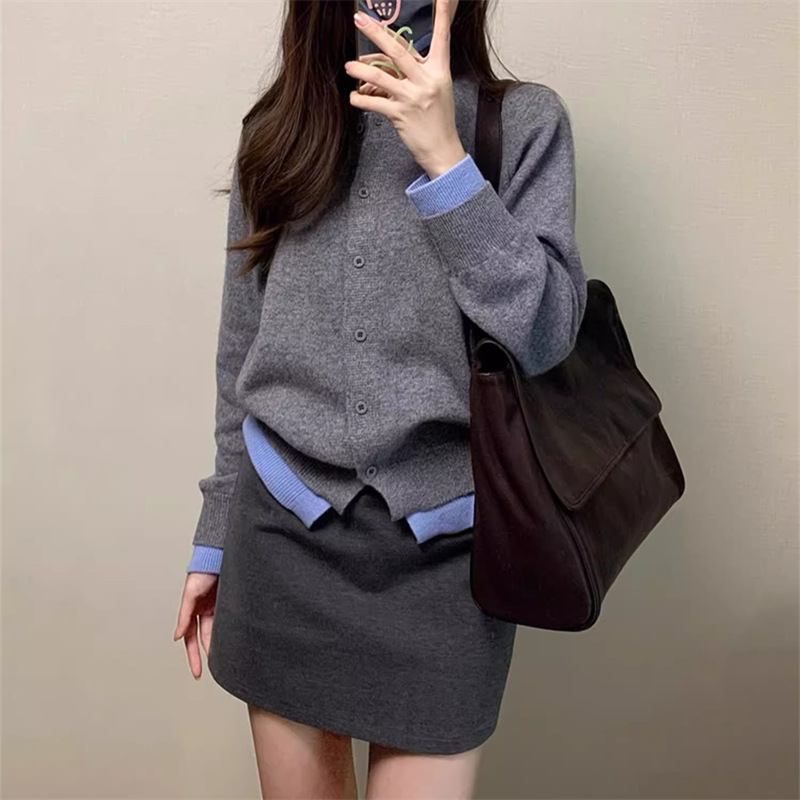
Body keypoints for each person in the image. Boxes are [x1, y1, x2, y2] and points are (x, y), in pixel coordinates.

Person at [174, 0, 587, 796]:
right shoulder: (278, 130)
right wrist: (215, 531)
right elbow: (241, 352)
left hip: (450, 561)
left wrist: (447, 164)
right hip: (282, 540)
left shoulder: (524, 125)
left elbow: (545, 335)